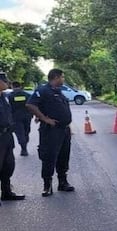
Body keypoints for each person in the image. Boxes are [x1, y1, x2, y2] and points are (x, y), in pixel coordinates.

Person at [26, 69, 76, 197]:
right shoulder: (43, 90)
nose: (63, 79)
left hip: (64, 130)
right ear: (56, 77)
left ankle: (62, 182)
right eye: (62, 77)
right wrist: (44, 118)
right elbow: (31, 105)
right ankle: (47, 185)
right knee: (49, 157)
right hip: (51, 131)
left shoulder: (58, 92)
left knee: (64, 156)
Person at [0, 72, 25, 205]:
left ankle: (6, 192)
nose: (7, 82)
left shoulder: (4, 96)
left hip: (7, 135)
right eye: (4, 80)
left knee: (8, 165)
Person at [9, 81, 32, 156]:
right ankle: (24, 146)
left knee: (20, 133)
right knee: (26, 132)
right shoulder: (27, 95)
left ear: (12, 86)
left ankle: (24, 149)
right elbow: (31, 105)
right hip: (27, 116)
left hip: (16, 118)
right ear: (20, 86)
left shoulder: (10, 96)